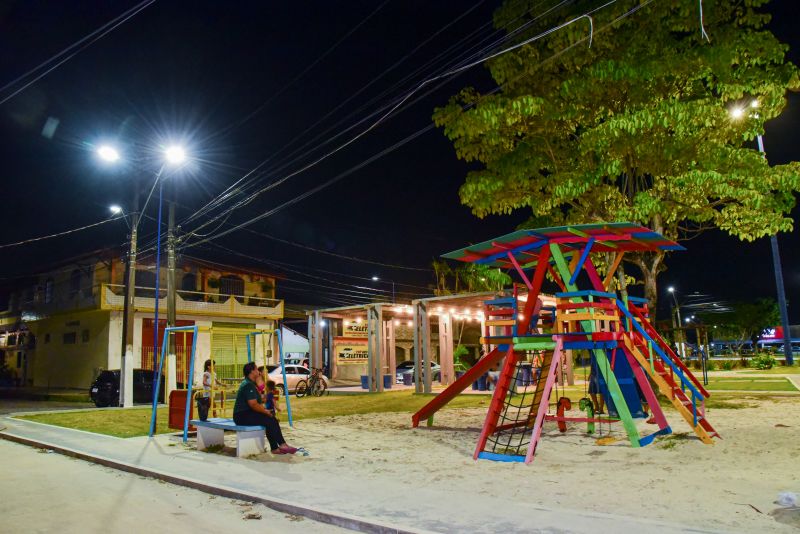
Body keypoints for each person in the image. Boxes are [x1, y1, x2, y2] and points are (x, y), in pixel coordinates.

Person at [233, 362, 297, 455]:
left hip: (245, 413)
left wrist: (264, 399)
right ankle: (282, 445)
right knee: (270, 419)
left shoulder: (250, 383)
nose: (258, 371)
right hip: (242, 415)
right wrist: (265, 411)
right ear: (252, 371)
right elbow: (253, 404)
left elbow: (257, 401)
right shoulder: (248, 385)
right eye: (256, 369)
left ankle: (276, 448)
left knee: (270, 420)